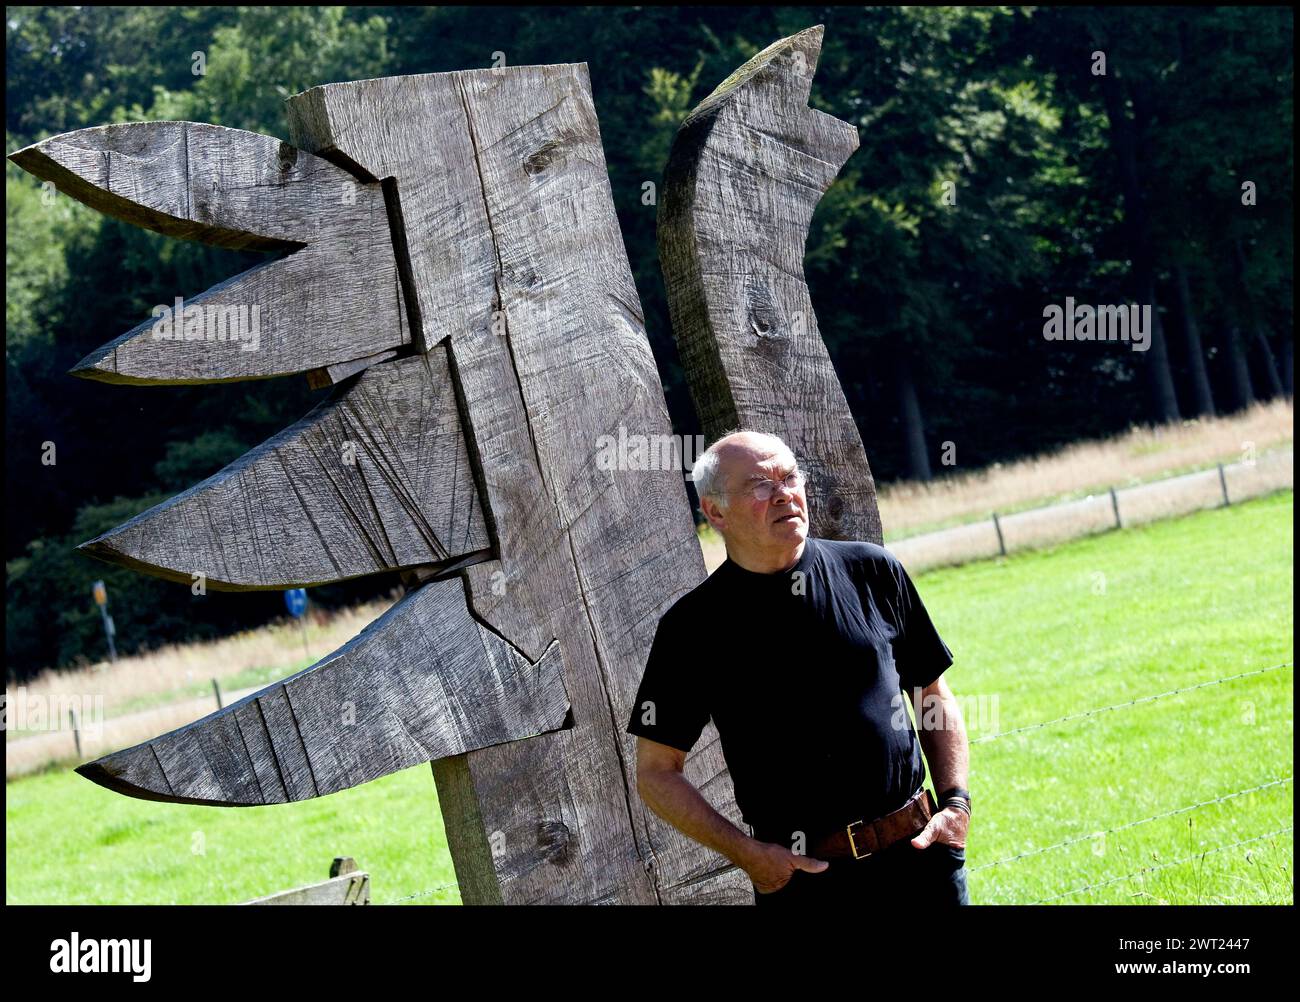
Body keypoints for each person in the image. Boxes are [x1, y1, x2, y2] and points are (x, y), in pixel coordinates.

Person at [626, 429, 971, 906]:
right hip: (805, 884)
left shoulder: (872, 570)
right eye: (759, 486)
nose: (784, 493)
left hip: (920, 858)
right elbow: (657, 773)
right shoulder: (692, 628)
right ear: (715, 512)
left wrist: (955, 803)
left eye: (789, 478)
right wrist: (748, 855)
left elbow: (931, 694)